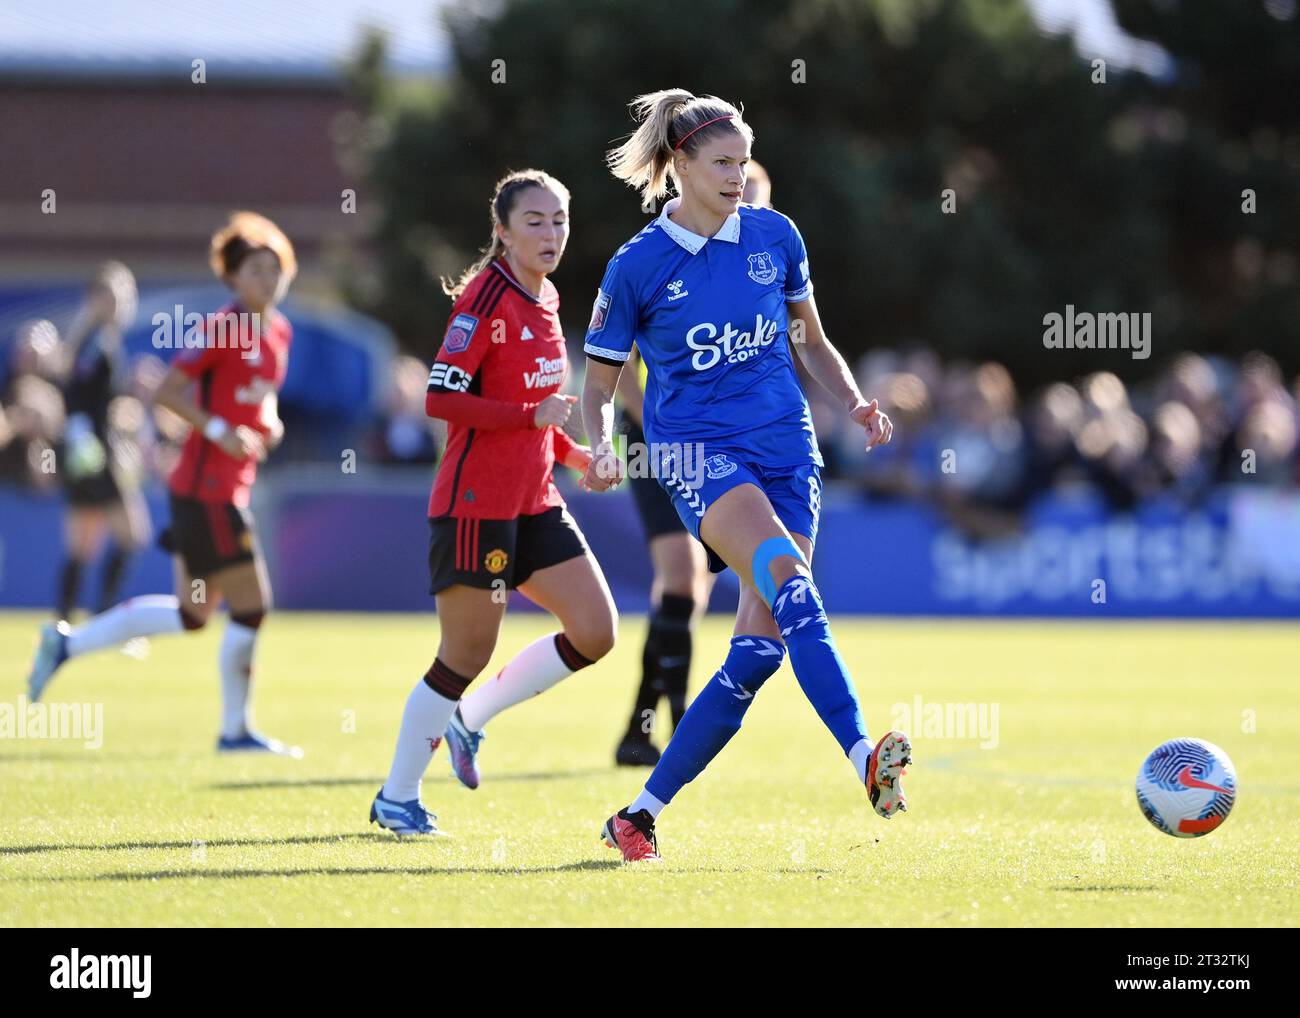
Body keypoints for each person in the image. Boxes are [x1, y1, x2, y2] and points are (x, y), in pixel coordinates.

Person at [581, 90, 911, 862]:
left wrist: (858, 404)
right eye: (722, 163)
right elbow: (598, 384)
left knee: (759, 651)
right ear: (682, 165)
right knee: (793, 584)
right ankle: (864, 755)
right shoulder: (637, 266)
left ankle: (639, 816)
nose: (737, 176)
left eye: (742, 161)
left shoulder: (774, 235)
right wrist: (601, 443)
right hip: (700, 456)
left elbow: (813, 344)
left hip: (790, 451)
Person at [369, 169, 616, 838]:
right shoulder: (483, 300)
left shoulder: (548, 296)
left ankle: (469, 721)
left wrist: (577, 455)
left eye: (559, 220)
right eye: (534, 221)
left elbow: (543, 416)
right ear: (501, 231)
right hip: (476, 505)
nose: (550, 233)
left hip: (534, 502)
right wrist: (532, 417)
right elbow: (441, 399)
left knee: (596, 630)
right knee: (463, 656)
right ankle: (397, 798)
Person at [26, 212, 301, 756]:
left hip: (227, 485)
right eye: (256, 269)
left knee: (192, 614)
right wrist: (220, 430)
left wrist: (268, 422)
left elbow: (261, 394)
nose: (269, 279)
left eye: (276, 268)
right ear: (233, 277)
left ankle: (66, 646)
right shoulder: (226, 325)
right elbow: (170, 392)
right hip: (205, 488)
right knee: (253, 605)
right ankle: (234, 731)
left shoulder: (279, 330)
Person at [610, 158, 776, 766]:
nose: (740, 204)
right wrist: (653, 427)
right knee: (680, 576)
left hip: (724, 443)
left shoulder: (761, 265)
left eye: (752, 196)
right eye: (734, 189)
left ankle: (638, 725)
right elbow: (614, 358)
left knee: (691, 594)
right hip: (657, 437)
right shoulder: (660, 258)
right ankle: (680, 725)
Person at [55, 262, 153, 620]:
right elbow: (79, 401)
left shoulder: (97, 339)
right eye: (114, 295)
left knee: (83, 545)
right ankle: (103, 614)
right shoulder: (94, 341)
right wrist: (86, 441)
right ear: (95, 298)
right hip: (94, 452)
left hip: (89, 450)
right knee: (132, 534)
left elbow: (94, 400)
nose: (123, 303)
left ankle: (66, 619)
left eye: (127, 295)